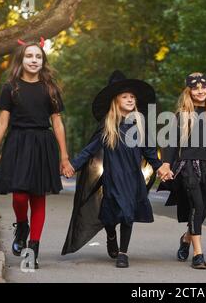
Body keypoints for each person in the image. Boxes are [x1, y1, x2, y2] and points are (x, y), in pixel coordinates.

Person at [62, 70, 172, 268]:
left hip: (132, 178)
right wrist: (73, 165)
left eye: (132, 97)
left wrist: (160, 167)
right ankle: (110, 234)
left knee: (128, 213)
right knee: (110, 215)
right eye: (125, 96)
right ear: (116, 100)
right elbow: (89, 150)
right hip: (111, 178)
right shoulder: (107, 125)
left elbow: (148, 151)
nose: (130, 99)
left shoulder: (140, 124)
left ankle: (123, 253)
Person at [0, 38, 72, 269]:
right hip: (17, 142)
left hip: (43, 144)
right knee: (20, 196)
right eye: (29, 56)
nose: (34, 60)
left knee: (38, 197)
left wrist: (64, 157)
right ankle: (22, 225)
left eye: (38, 57)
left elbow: (58, 123)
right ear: (21, 60)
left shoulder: (50, 89)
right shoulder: (10, 88)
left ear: (43, 61)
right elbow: (2, 123)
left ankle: (33, 247)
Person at [158, 72, 206, 269]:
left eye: (203, 87)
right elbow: (170, 144)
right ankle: (198, 255)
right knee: (197, 206)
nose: (200, 91)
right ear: (189, 91)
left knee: (202, 210)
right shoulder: (181, 116)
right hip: (187, 166)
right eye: (195, 88)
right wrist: (166, 164)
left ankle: (186, 239)